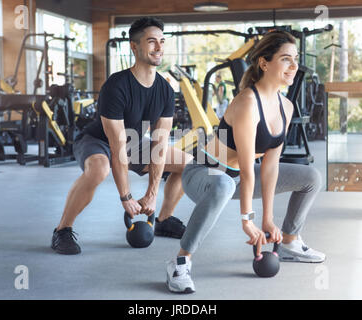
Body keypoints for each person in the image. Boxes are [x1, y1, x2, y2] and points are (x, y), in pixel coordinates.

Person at [165, 31, 325, 294]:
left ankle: (289, 241)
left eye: (295, 59)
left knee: (310, 177)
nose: (294, 66)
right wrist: (247, 219)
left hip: (237, 178)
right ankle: (180, 261)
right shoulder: (248, 102)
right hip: (205, 175)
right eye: (286, 59)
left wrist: (268, 220)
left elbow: (270, 166)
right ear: (264, 63)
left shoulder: (286, 106)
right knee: (224, 185)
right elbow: (249, 166)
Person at [51, 17, 193, 255]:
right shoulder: (116, 86)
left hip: (133, 143)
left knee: (188, 164)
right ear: (134, 47)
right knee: (99, 169)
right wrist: (126, 197)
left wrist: (151, 195)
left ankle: (163, 220)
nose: (159, 47)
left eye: (162, 41)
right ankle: (62, 230)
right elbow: (117, 147)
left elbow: (159, 143)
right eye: (151, 42)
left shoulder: (166, 91)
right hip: (98, 141)